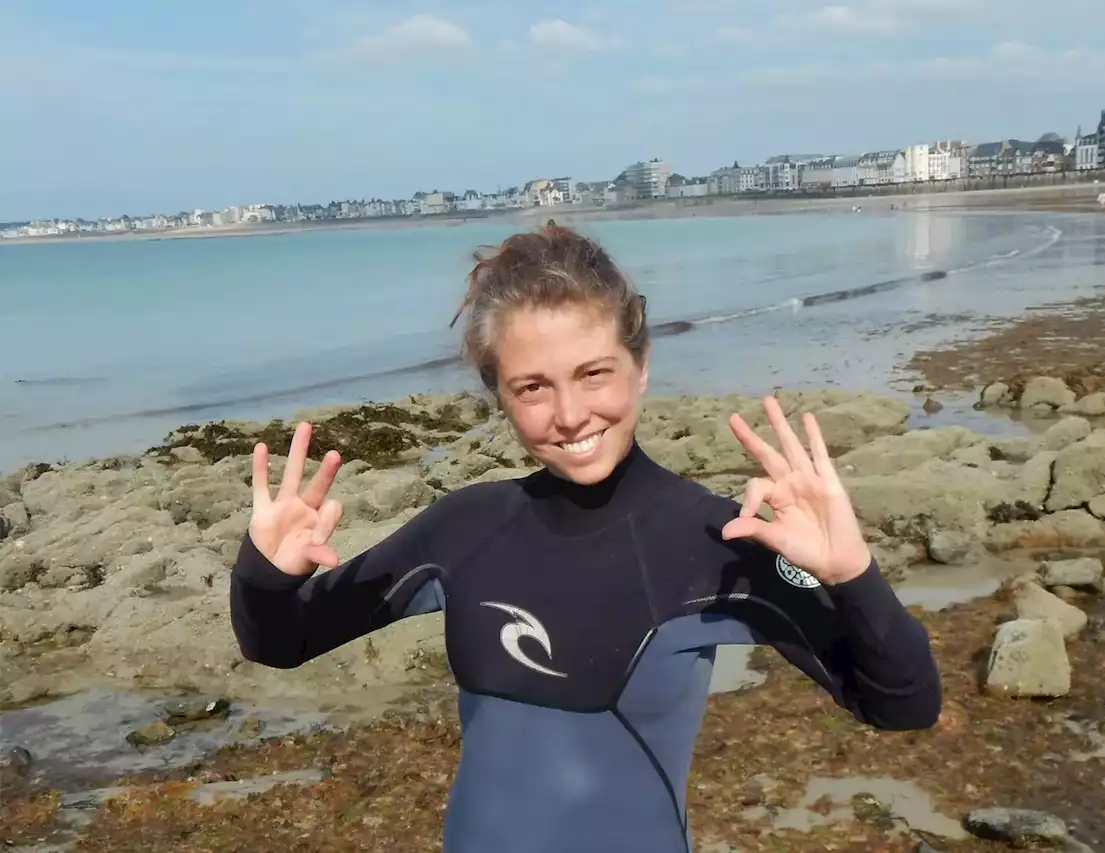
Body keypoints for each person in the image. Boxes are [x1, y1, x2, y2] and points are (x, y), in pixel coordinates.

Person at [229, 223, 941, 853]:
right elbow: (282, 641)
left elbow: (903, 703)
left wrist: (851, 572)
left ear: (641, 366)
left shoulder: (717, 538)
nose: (570, 414)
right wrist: (266, 572)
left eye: (594, 373)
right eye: (532, 387)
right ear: (499, 395)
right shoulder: (465, 527)